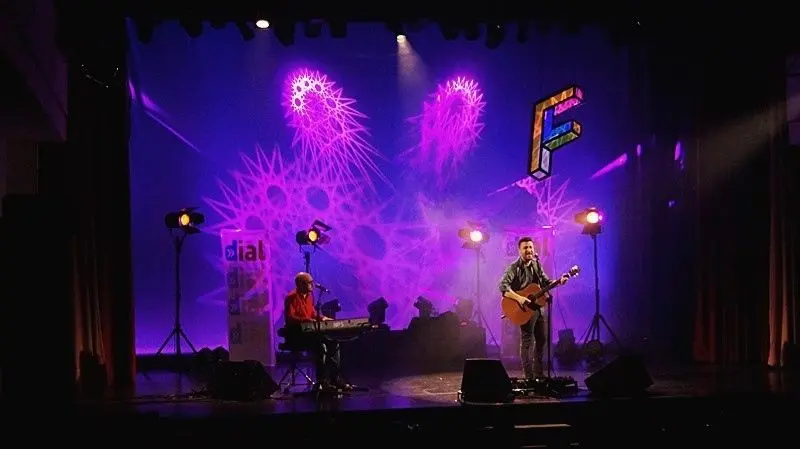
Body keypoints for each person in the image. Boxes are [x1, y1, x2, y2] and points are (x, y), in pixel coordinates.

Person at [498, 237, 569, 379]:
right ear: (519, 250)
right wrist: (520, 298)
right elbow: (503, 287)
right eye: (525, 248)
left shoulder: (536, 265)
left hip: (538, 308)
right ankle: (529, 377)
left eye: (530, 247)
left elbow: (545, 281)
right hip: (524, 309)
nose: (529, 250)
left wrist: (559, 281)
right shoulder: (514, 268)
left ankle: (539, 373)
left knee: (541, 339)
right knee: (527, 342)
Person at [283, 272, 342, 388]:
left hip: (309, 333)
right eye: (309, 282)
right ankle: (322, 381)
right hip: (297, 334)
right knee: (320, 346)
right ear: (300, 284)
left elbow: (313, 314)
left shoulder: (309, 297)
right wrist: (308, 320)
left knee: (334, 342)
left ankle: (335, 379)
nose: (313, 285)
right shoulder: (291, 297)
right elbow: (290, 317)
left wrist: (323, 318)